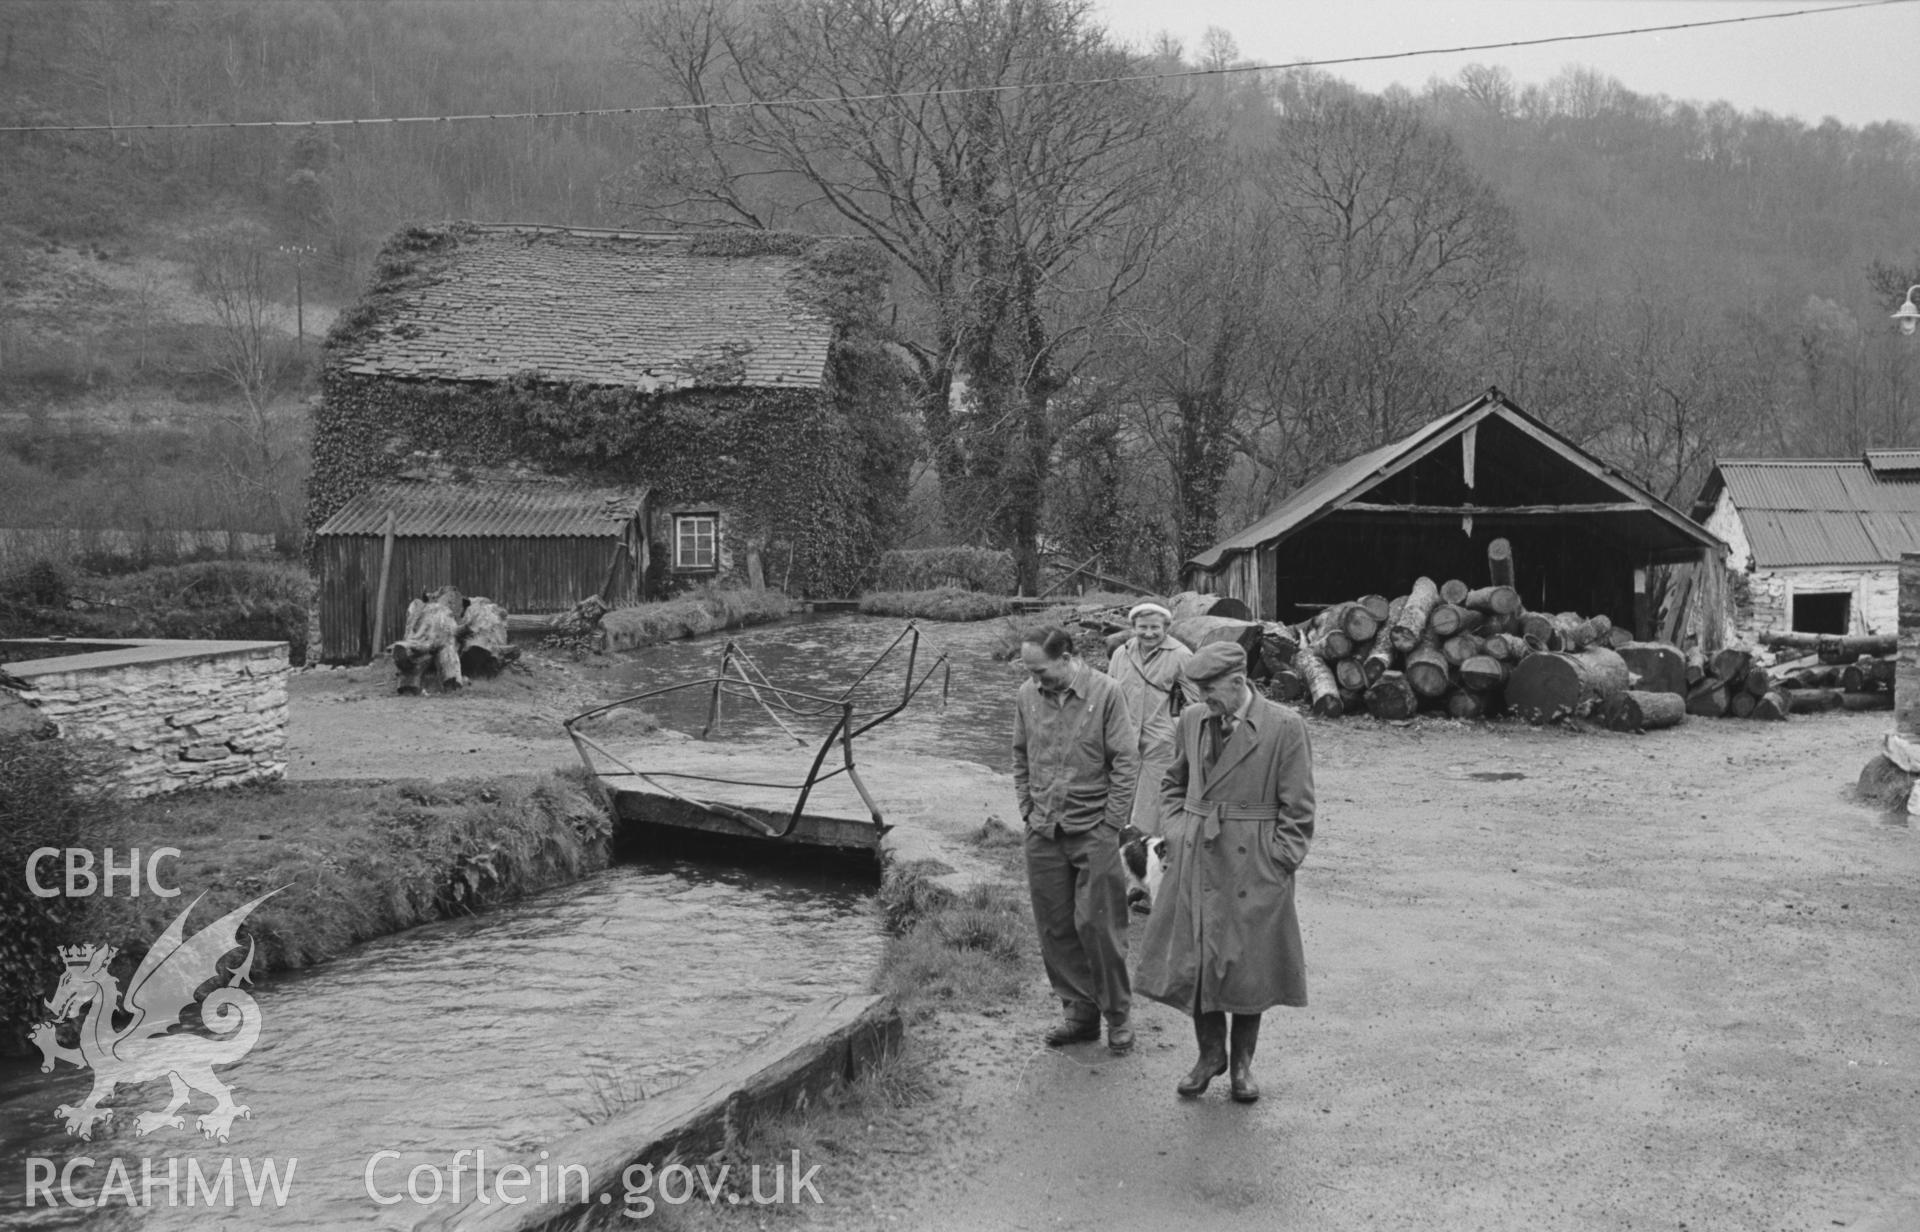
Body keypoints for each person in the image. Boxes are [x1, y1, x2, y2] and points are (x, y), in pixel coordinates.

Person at [1134, 641, 1315, 1103]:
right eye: (1198, 690)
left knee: (1247, 965)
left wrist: (1279, 862)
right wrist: (1176, 832)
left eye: (1210, 689)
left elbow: (1299, 808)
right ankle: (1209, 1055)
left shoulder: (1284, 726)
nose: (1203, 700)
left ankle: (1241, 1067)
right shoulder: (1193, 720)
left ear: (1239, 682)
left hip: (1253, 861)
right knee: (1197, 959)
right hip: (1196, 854)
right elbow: (1173, 783)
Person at [1012, 625, 1141, 1054]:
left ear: (1067, 658)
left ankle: (1118, 1016)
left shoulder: (1106, 693)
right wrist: (1026, 810)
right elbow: (1019, 755)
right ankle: (1079, 1013)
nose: (1036, 681)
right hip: (1044, 830)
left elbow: (1125, 762)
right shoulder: (1026, 697)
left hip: (1095, 832)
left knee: (1100, 927)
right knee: (1055, 926)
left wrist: (1111, 826)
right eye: (1030, 672)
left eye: (1043, 671)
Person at [1104, 601, 1198, 838]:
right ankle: (1114, 859)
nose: (1148, 633)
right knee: (1118, 800)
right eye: (1142, 627)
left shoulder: (1181, 655)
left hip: (1160, 742)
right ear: (1133, 626)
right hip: (1122, 740)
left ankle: (1147, 863)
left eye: (1155, 627)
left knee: (1150, 809)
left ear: (1166, 627)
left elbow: (1198, 700)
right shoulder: (1120, 653)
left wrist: (1180, 727)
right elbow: (1108, 696)